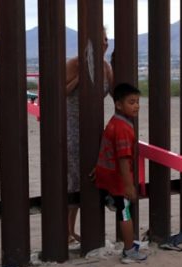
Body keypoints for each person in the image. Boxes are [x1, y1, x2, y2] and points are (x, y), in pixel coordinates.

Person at [65, 27, 114, 244]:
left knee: (92, 175)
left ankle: (91, 229)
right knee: (74, 177)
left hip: (94, 126)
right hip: (72, 126)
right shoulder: (73, 63)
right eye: (101, 39)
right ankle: (67, 230)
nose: (105, 43)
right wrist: (81, 75)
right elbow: (61, 91)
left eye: (106, 39)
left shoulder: (106, 67)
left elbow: (114, 94)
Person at [94, 83, 147, 264]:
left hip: (105, 174)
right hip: (118, 179)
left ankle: (112, 201)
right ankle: (129, 251)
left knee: (122, 208)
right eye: (131, 102)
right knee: (125, 213)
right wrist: (128, 185)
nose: (136, 106)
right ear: (118, 104)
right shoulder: (124, 128)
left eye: (138, 102)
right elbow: (124, 159)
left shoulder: (114, 122)